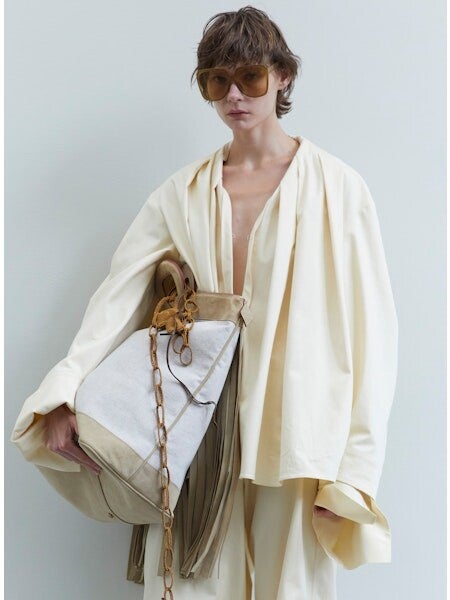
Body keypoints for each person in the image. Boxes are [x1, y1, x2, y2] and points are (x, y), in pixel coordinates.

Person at [11, 6, 398, 599]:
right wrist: (64, 392)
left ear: (283, 77)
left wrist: (355, 470)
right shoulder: (181, 192)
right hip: (194, 422)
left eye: (250, 77)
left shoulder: (339, 189)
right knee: (190, 582)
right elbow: (117, 296)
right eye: (218, 81)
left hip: (296, 428)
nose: (234, 96)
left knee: (290, 586)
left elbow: (374, 335)